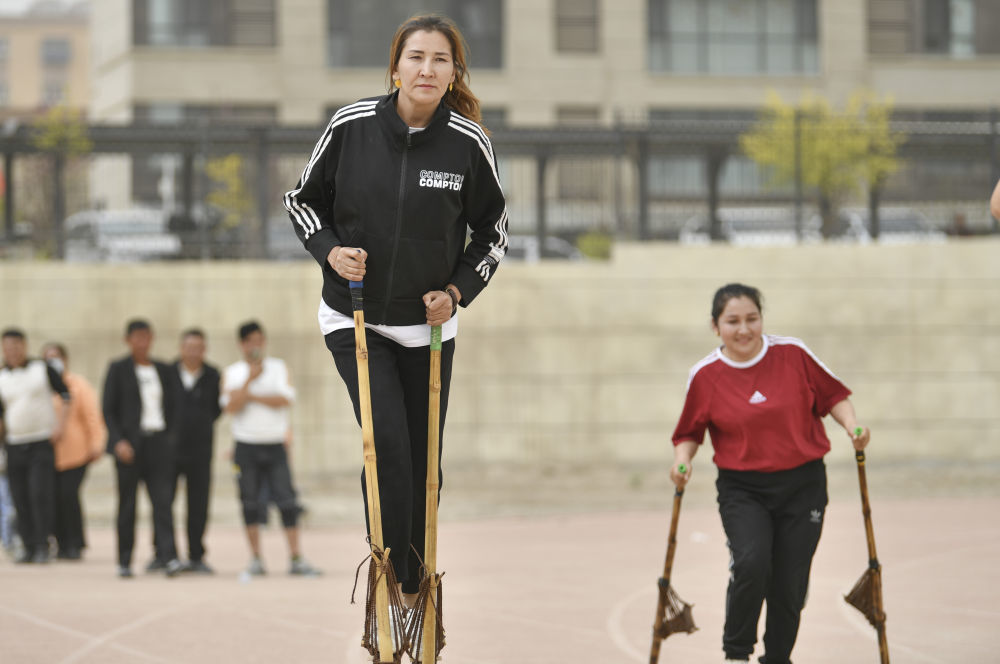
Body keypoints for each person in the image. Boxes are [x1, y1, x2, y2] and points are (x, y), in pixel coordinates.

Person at [282, 13, 508, 608]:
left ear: (454, 72)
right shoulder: (351, 126)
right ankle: (394, 576)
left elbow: (493, 235)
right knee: (387, 447)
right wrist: (331, 252)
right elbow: (301, 203)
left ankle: (415, 572)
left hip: (430, 328)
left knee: (425, 464)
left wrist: (456, 291)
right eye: (416, 57)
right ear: (395, 65)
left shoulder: (467, 143)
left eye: (440, 59)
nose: (427, 69)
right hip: (356, 319)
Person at [670, 284, 871, 664]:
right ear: (716, 326)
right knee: (751, 561)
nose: (744, 329)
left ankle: (778, 658)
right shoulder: (706, 375)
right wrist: (683, 462)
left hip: (803, 485)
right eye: (733, 321)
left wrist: (853, 426)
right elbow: (688, 433)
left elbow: (833, 397)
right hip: (743, 488)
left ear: (761, 319)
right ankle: (737, 654)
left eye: (752, 319)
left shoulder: (793, 354)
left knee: (790, 581)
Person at [220, 321, 319, 577]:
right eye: (250, 341)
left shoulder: (278, 367)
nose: (256, 345)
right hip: (245, 446)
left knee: (287, 502)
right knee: (249, 503)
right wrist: (249, 381)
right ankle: (255, 558)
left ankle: (296, 557)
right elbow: (230, 407)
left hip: (275, 444)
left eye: (260, 340)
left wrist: (250, 395)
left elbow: (285, 399)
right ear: (242, 344)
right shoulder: (232, 372)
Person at [102, 319, 183, 578]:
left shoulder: (164, 369)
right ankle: (124, 560)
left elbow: (174, 406)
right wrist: (118, 442)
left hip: (158, 444)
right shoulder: (118, 368)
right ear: (128, 340)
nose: (143, 342)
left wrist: (170, 439)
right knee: (127, 505)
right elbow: (108, 410)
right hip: (129, 446)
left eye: (147, 336)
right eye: (137, 337)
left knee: (163, 503)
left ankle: (168, 556)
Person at [0, 329, 70, 563]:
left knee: (40, 494)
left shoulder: (42, 369)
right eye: (7, 347)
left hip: (41, 442)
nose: (12, 351)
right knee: (20, 496)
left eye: (16, 346)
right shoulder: (2, 376)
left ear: (24, 345)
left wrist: (60, 425)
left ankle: (42, 544)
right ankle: (28, 545)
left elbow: (66, 394)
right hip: (14, 443)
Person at [42, 343, 106, 561]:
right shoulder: (41, 385)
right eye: (48, 357)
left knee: (68, 496)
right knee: (53, 499)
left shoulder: (78, 385)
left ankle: (75, 543)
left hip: (76, 453)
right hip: (48, 455)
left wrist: (97, 443)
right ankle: (59, 542)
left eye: (56, 357)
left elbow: (92, 416)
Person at [171, 329, 221, 574]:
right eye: (189, 347)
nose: (193, 352)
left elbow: (216, 410)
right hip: (169, 450)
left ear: (204, 349)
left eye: (198, 347)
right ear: (181, 348)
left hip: (201, 451)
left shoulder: (212, 375)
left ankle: (196, 555)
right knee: (165, 502)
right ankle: (165, 553)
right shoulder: (167, 372)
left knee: (198, 503)